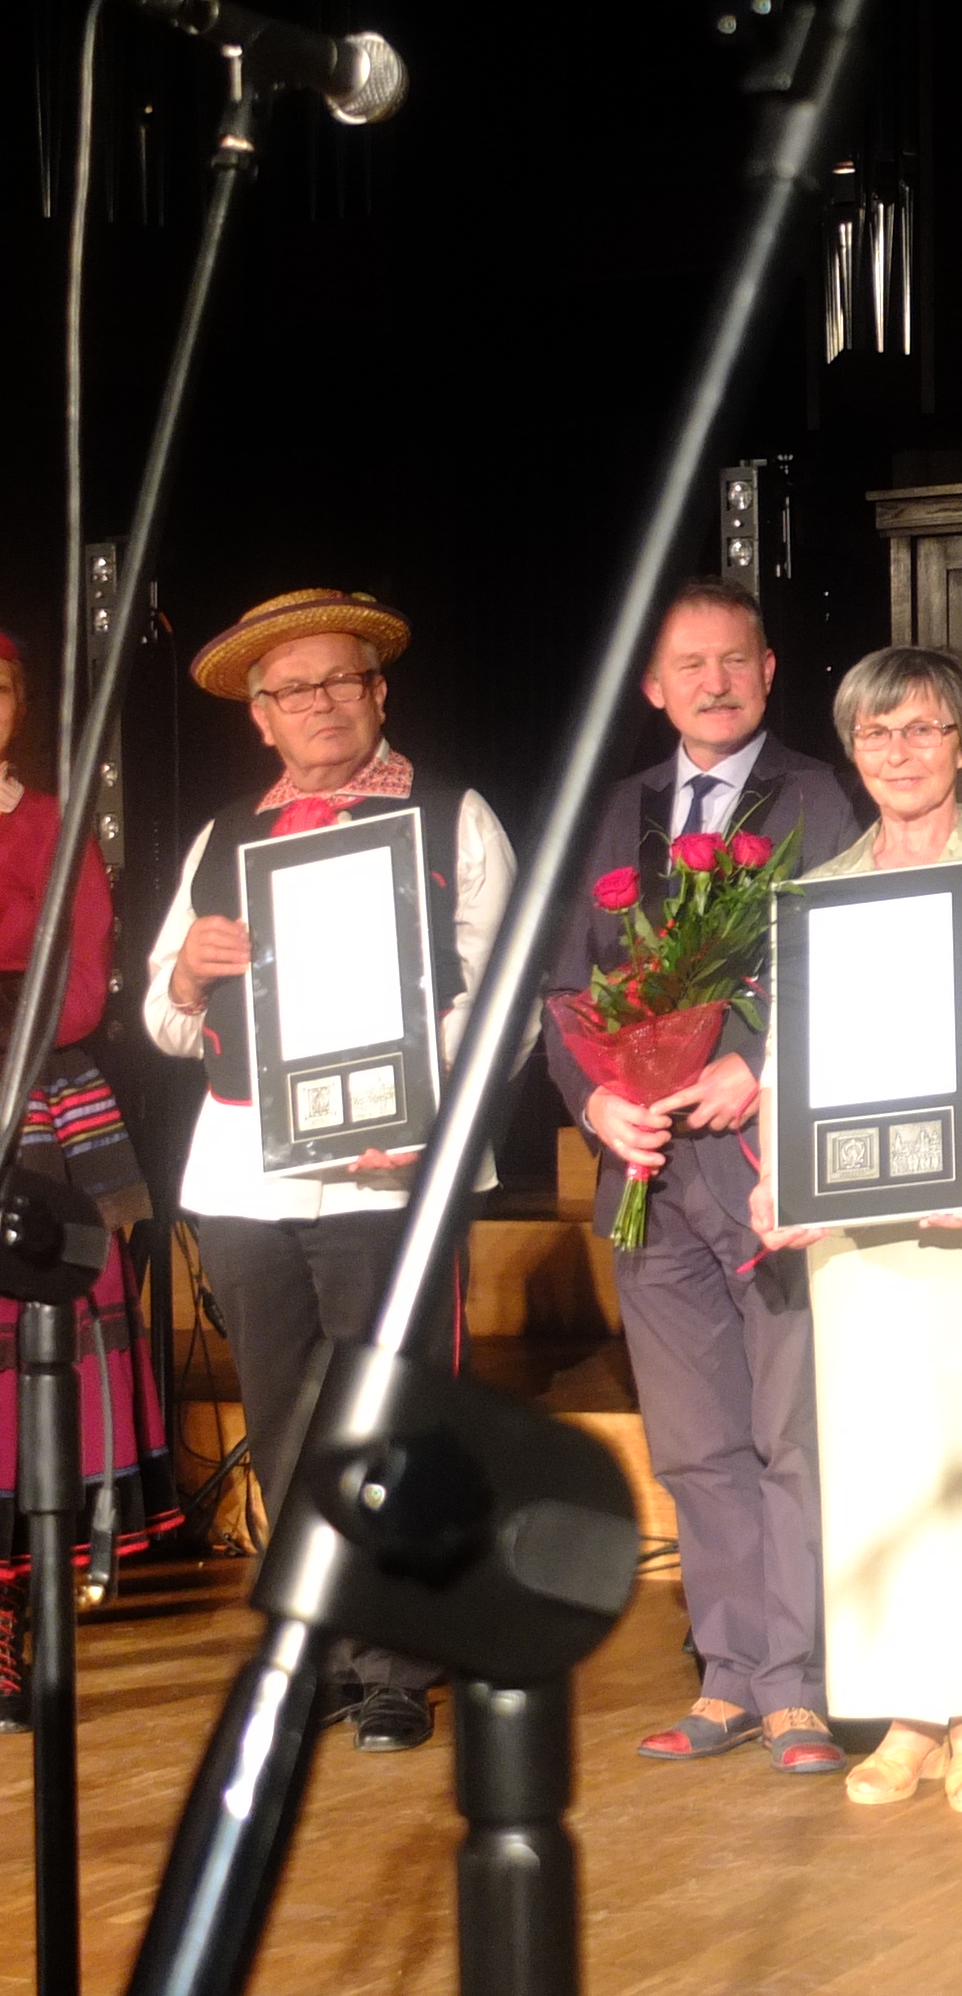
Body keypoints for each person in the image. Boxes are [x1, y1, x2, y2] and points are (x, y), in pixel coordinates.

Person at [141, 590, 518, 1753]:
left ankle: (396, 1658)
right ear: (259, 717)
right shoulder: (222, 838)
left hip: (386, 1169)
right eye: (292, 690)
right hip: (246, 1173)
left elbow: (505, 1002)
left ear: (378, 692)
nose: (319, 704)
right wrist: (188, 977)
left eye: (340, 680)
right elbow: (161, 1018)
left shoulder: (450, 816)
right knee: (285, 1422)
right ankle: (315, 1650)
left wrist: (422, 1114)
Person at [542, 581, 858, 1774]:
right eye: (691, 666)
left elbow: (845, 953)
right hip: (646, 1170)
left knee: (790, 1435)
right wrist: (596, 1103)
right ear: (653, 687)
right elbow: (563, 989)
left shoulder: (819, 797)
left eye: (735, 661)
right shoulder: (614, 810)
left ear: (768, 671)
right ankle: (727, 1674)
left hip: (766, 1164)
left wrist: (759, 1061)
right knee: (692, 1444)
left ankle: (799, 1684)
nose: (715, 683)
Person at [749, 644, 962, 1810]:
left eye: (923, 729)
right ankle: (905, 1712)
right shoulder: (817, 892)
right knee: (877, 1458)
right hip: (852, 1220)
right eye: (877, 734)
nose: (900, 752)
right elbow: (790, 1060)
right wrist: (777, 1178)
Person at [1, 628, 176, 1731]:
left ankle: (23, 1620)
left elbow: (81, 980)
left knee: (37, 1352)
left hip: (41, 1094)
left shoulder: (53, 823)